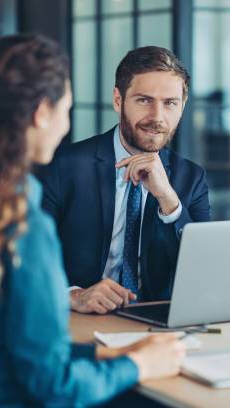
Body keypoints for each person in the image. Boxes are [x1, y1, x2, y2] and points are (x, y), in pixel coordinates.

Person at [0, 34, 184, 406]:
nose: (66, 126)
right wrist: (138, 364)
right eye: (66, 110)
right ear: (41, 112)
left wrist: (107, 355)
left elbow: (1, 351)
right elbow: (54, 388)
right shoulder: (20, 221)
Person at [37, 46, 210, 314]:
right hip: (81, 317)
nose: (157, 117)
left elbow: (202, 271)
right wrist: (72, 296)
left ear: (182, 106)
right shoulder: (63, 166)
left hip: (158, 320)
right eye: (144, 100)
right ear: (118, 100)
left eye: (170, 103)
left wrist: (168, 200)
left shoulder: (191, 178)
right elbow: (26, 261)